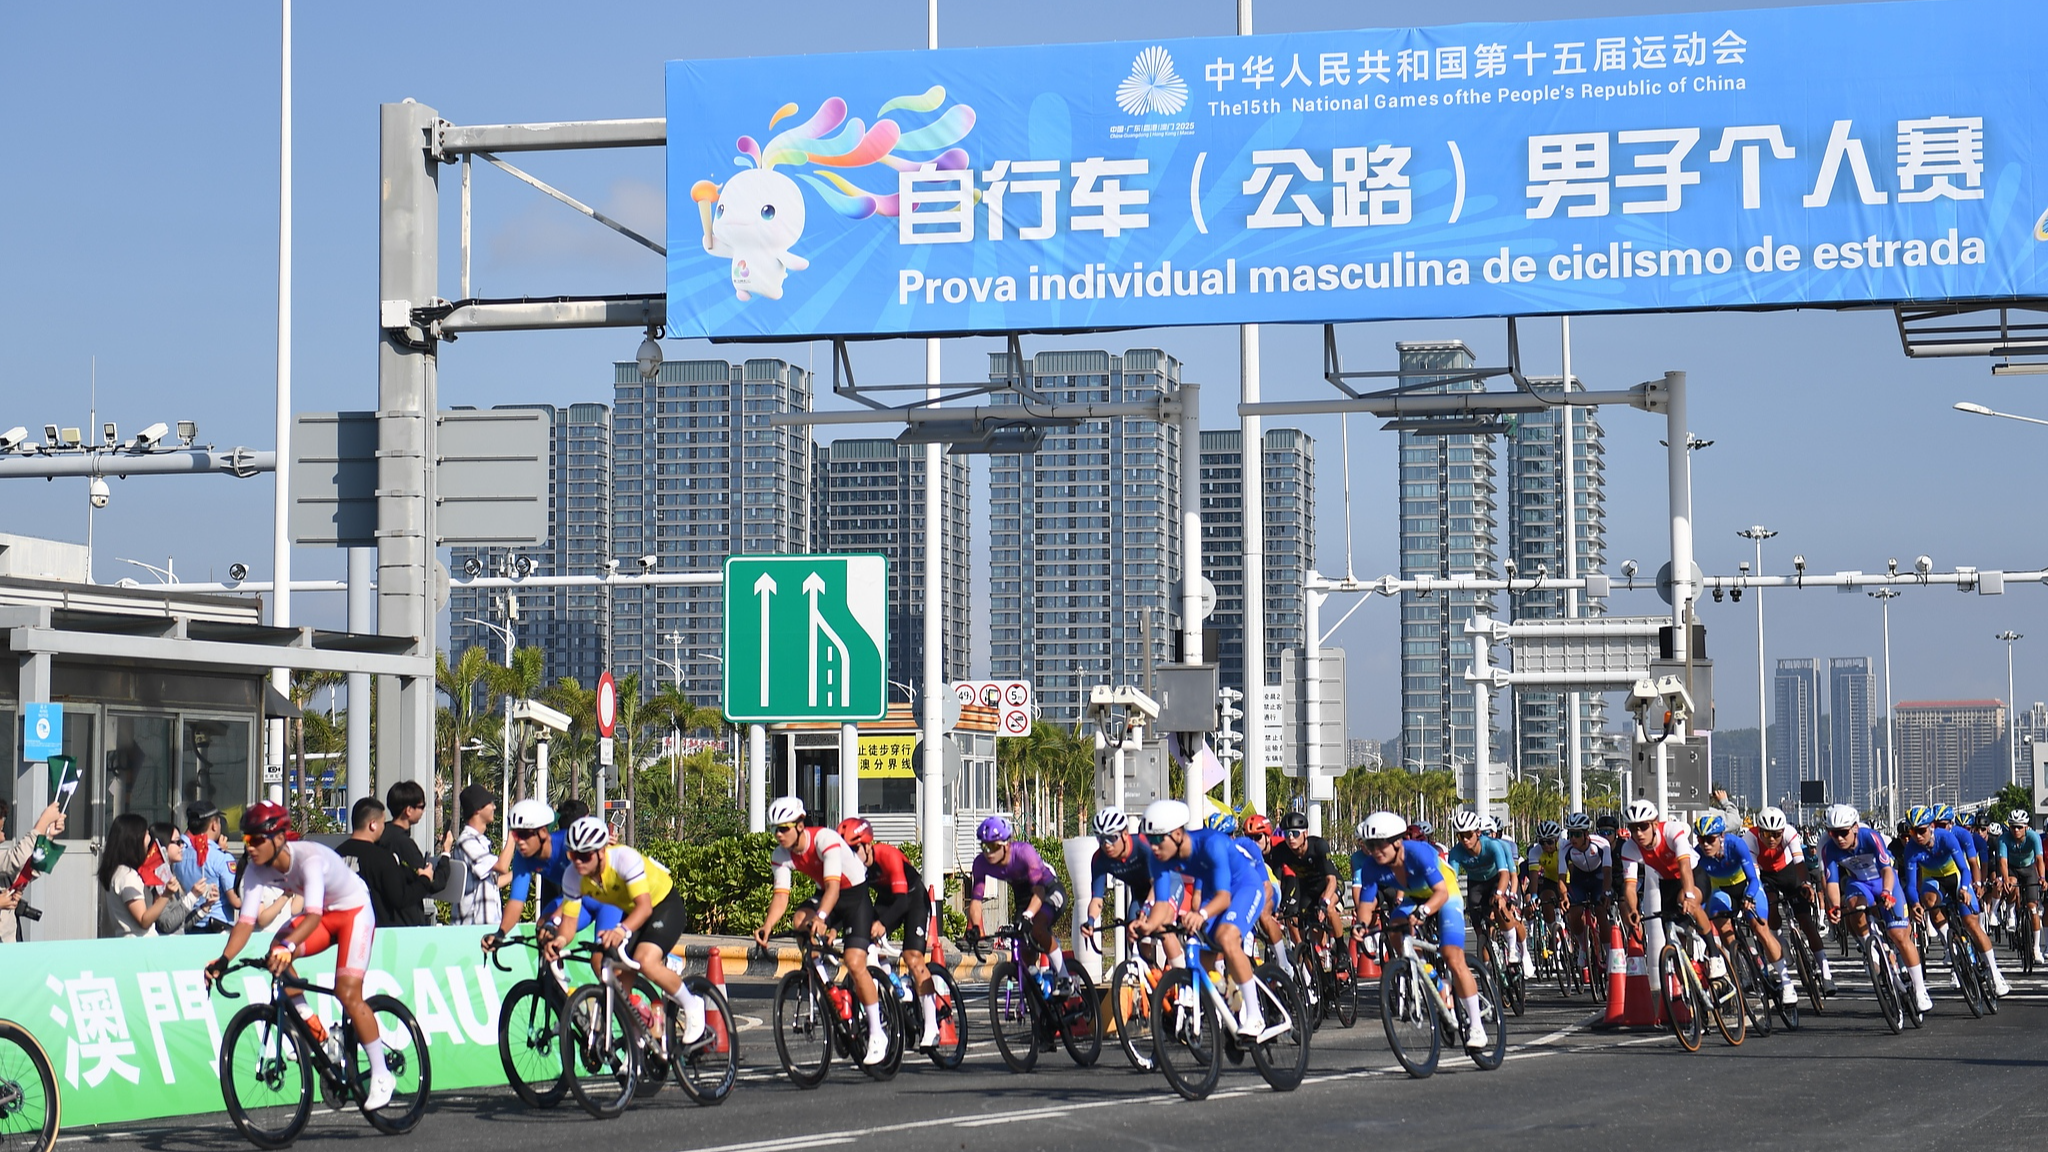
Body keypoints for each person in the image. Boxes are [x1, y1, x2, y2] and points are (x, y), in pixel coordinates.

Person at [204, 801, 396, 1111]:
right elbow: (245, 922)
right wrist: (223, 960)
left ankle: (382, 1073)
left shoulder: (309, 859)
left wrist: (289, 946)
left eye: (256, 840)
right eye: (247, 840)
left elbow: (312, 916)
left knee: (347, 992)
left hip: (353, 912)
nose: (249, 847)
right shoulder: (255, 870)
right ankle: (318, 1034)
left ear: (279, 838)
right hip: (324, 917)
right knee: (275, 957)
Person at [544, 816, 707, 1050]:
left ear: (601, 852)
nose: (578, 862)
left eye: (585, 855)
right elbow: (568, 923)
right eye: (573, 855)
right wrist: (559, 940)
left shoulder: (623, 859)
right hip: (632, 913)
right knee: (605, 968)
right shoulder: (572, 876)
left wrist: (621, 929)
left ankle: (692, 1005)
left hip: (662, 905)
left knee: (645, 961)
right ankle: (639, 1038)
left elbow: (645, 907)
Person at [1129, 799, 1279, 1040]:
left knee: (1226, 937)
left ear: (1177, 834)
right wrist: (1146, 925)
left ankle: (1255, 1015)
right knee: (1203, 957)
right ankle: (1233, 1004)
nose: (1154, 847)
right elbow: (1160, 904)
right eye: (1150, 840)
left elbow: (1224, 897)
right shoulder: (1160, 859)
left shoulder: (1212, 844)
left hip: (1243, 886)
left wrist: (1201, 914)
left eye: (1158, 840)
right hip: (1214, 891)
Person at [752, 797, 887, 1065]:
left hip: (853, 896)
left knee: (854, 961)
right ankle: (823, 978)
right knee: (800, 920)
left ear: (800, 826)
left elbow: (834, 889)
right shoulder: (780, 855)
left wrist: (823, 918)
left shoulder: (825, 840)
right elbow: (781, 897)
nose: (778, 835)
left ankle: (876, 1032)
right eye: (775, 829)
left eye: (784, 828)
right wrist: (767, 926)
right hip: (827, 893)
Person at [1351, 809, 1487, 1051]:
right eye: (1371, 845)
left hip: (1444, 893)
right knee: (1395, 927)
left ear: (1397, 841)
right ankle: (1428, 974)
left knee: (1452, 956)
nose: (1375, 851)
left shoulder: (1419, 853)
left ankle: (1476, 1025)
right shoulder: (1372, 865)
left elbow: (1441, 893)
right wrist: (1360, 925)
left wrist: (1423, 913)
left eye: (1380, 844)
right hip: (1414, 896)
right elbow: (1366, 903)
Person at [1816, 802, 1932, 1013]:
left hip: (1884, 880)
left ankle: (1920, 989)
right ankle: (1870, 948)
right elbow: (1832, 883)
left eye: (1843, 833)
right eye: (1833, 833)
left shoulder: (1871, 837)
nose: (1839, 838)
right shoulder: (1829, 848)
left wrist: (1887, 892)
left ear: (1854, 828)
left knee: (1899, 935)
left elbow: (1887, 870)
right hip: (1859, 883)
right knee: (1852, 906)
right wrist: (1833, 907)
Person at [838, 816, 942, 1050]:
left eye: (855, 849)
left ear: (867, 845)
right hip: (886, 901)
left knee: (912, 957)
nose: (851, 856)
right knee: (865, 943)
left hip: (912, 899)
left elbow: (903, 901)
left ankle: (933, 1026)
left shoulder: (888, 855)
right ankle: (892, 984)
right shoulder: (854, 869)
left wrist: (883, 923)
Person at [1899, 805, 2008, 997]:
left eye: (1921, 830)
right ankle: (1950, 942)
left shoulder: (1947, 837)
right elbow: (1910, 884)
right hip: (1933, 880)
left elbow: (1966, 868)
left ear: (1931, 826)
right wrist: (1915, 904)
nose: (1917, 836)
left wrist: (1967, 888)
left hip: (1955, 876)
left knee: (1972, 924)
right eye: (1912, 831)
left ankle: (1995, 973)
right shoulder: (1911, 849)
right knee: (1928, 900)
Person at [1693, 813, 1796, 1006]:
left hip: (1747, 887)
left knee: (1760, 928)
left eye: (1710, 839)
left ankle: (1786, 982)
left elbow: (1754, 879)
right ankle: (1742, 963)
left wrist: (1749, 897)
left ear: (1721, 836)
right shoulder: (1697, 854)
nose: (1705, 844)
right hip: (1722, 893)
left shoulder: (1735, 845)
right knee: (1720, 923)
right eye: (1701, 839)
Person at [964, 815, 1071, 990]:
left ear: (1006, 844)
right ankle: (1039, 985)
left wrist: (1028, 916)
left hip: (1047, 889)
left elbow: (1039, 891)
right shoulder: (981, 863)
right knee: (1024, 952)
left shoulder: (1024, 853)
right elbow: (976, 900)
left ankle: (1065, 978)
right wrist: (975, 927)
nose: (988, 853)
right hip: (1023, 896)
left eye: (993, 847)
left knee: (1038, 928)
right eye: (984, 846)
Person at [1748, 805, 1834, 994]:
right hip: (1765, 875)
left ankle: (1826, 973)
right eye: (1767, 835)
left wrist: (1805, 884)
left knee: (1806, 922)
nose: (1772, 839)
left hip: (1789, 873)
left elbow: (1799, 863)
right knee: (1770, 911)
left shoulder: (1790, 833)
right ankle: (1782, 944)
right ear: (1759, 831)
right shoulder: (1750, 838)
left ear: (1782, 832)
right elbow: (1754, 875)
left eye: (1776, 835)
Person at [1448, 809, 1529, 977]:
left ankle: (1514, 950)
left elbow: (1505, 874)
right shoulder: (1456, 852)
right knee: (1478, 927)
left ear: (1478, 833)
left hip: (1495, 880)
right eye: (1460, 836)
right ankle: (1488, 969)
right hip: (1475, 884)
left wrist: (1500, 894)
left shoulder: (1493, 845)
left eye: (1468, 834)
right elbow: (1451, 880)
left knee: (1499, 909)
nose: (1465, 839)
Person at [101, 813, 210, 937]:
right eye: (145, 833)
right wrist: (166, 895)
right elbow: (144, 920)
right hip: (138, 945)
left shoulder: (122, 873)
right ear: (133, 839)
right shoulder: (127, 876)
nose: (150, 840)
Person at [1266, 810, 1347, 974]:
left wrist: (1324, 904)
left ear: (1305, 834)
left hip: (1329, 885)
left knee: (1329, 908)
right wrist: (1273, 907)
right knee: (1300, 927)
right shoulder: (1282, 851)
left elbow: (1331, 880)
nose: (1291, 838)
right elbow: (1277, 882)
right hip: (1307, 889)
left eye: (1295, 833)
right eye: (1287, 834)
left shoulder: (1318, 846)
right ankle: (1315, 972)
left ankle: (1342, 949)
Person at [335, 798, 417, 926]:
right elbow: (399, 898)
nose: (384, 827)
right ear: (373, 824)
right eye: (383, 823)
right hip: (375, 933)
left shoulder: (336, 854)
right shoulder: (382, 858)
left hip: (340, 929)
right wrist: (424, 880)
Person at [377, 781, 447, 926]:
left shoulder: (379, 836)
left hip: (381, 917)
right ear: (408, 810)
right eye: (421, 807)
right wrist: (446, 854)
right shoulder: (404, 843)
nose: (422, 811)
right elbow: (434, 884)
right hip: (405, 920)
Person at [0, 801, 62, 943]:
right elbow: (18, 858)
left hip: (9, 944)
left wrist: (48, 836)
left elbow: (28, 870)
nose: (4, 820)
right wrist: (43, 821)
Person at [173, 802, 239, 933]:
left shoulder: (179, 856)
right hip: (217, 927)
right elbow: (235, 901)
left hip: (189, 924)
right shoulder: (222, 857)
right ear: (214, 825)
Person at [449, 785, 505, 926]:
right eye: (490, 803)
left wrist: (524, 869)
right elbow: (502, 866)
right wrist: (515, 834)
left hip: (487, 926)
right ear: (477, 809)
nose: (494, 807)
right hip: (472, 927)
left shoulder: (481, 843)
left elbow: (494, 883)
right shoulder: (467, 841)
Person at [1996, 809, 2045, 964]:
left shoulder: (2033, 837)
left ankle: (2036, 949)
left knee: (2032, 908)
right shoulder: (2003, 839)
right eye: (2013, 827)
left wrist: (2042, 878)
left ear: (2026, 826)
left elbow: (2039, 859)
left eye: (2019, 827)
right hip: (2012, 868)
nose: (2016, 830)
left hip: (2029, 868)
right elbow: (2002, 862)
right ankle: (2011, 913)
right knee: (2010, 883)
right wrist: (2005, 880)